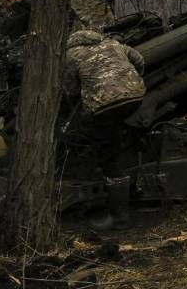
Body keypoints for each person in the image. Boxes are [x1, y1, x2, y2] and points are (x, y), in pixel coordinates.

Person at [63, 29, 145, 231]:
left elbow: (71, 90)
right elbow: (140, 60)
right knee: (112, 135)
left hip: (104, 106)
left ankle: (118, 218)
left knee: (109, 155)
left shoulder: (71, 55)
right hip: (136, 96)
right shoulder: (113, 44)